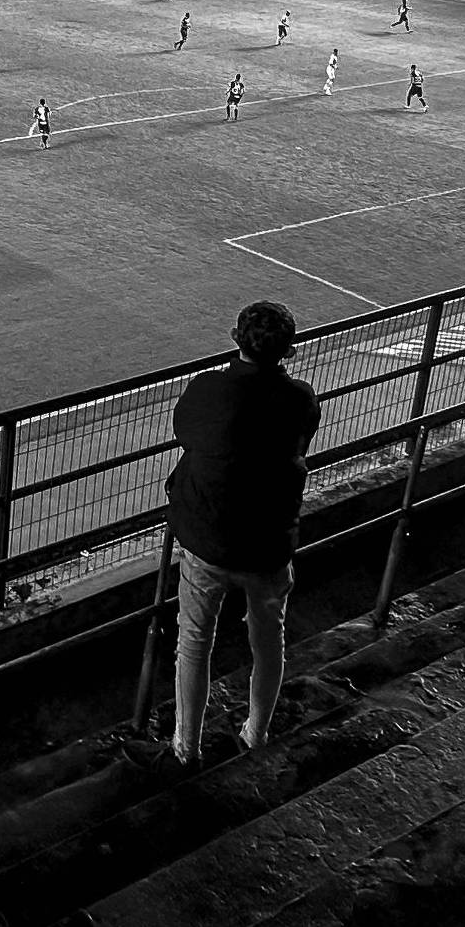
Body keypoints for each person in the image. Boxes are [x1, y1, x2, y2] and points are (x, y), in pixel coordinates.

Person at [154, 300, 320, 765]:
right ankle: (257, 733)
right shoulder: (299, 398)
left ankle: (186, 747)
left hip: (209, 540)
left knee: (194, 640)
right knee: (269, 639)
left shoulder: (210, 389)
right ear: (289, 349)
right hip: (269, 542)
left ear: (234, 338)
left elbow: (185, 433)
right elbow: (300, 440)